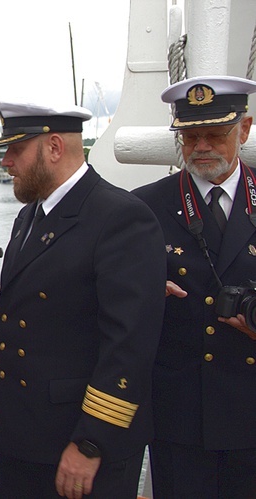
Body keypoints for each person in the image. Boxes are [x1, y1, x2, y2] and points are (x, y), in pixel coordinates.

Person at [0, 101, 166, 498]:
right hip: (23, 434)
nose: (6, 162)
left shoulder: (121, 217)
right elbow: (19, 313)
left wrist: (91, 443)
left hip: (78, 443)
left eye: (15, 150)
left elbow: (128, 348)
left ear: (54, 147)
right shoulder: (30, 216)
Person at [133, 75, 256, 498]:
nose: (201, 146)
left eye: (215, 134)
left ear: (244, 128)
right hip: (180, 416)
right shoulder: (144, 207)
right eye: (190, 136)